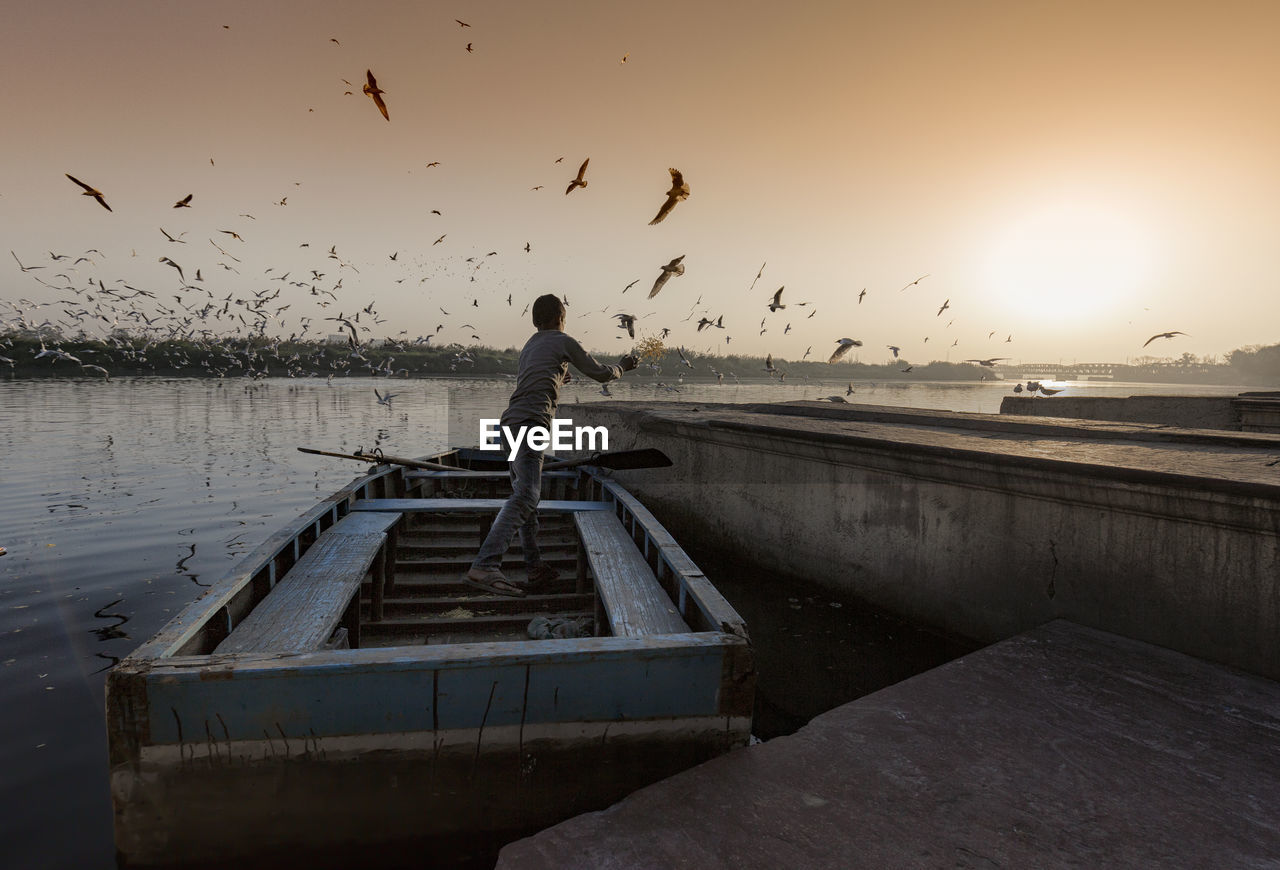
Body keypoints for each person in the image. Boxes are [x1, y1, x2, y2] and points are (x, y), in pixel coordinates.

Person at [466, 294, 638, 597]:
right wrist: (623, 366)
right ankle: (485, 564)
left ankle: (534, 567)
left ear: (535, 322)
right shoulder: (564, 340)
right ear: (562, 316)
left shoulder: (530, 345)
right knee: (527, 496)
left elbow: (538, 376)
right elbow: (600, 373)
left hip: (509, 425)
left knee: (527, 501)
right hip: (530, 423)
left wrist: (560, 376)